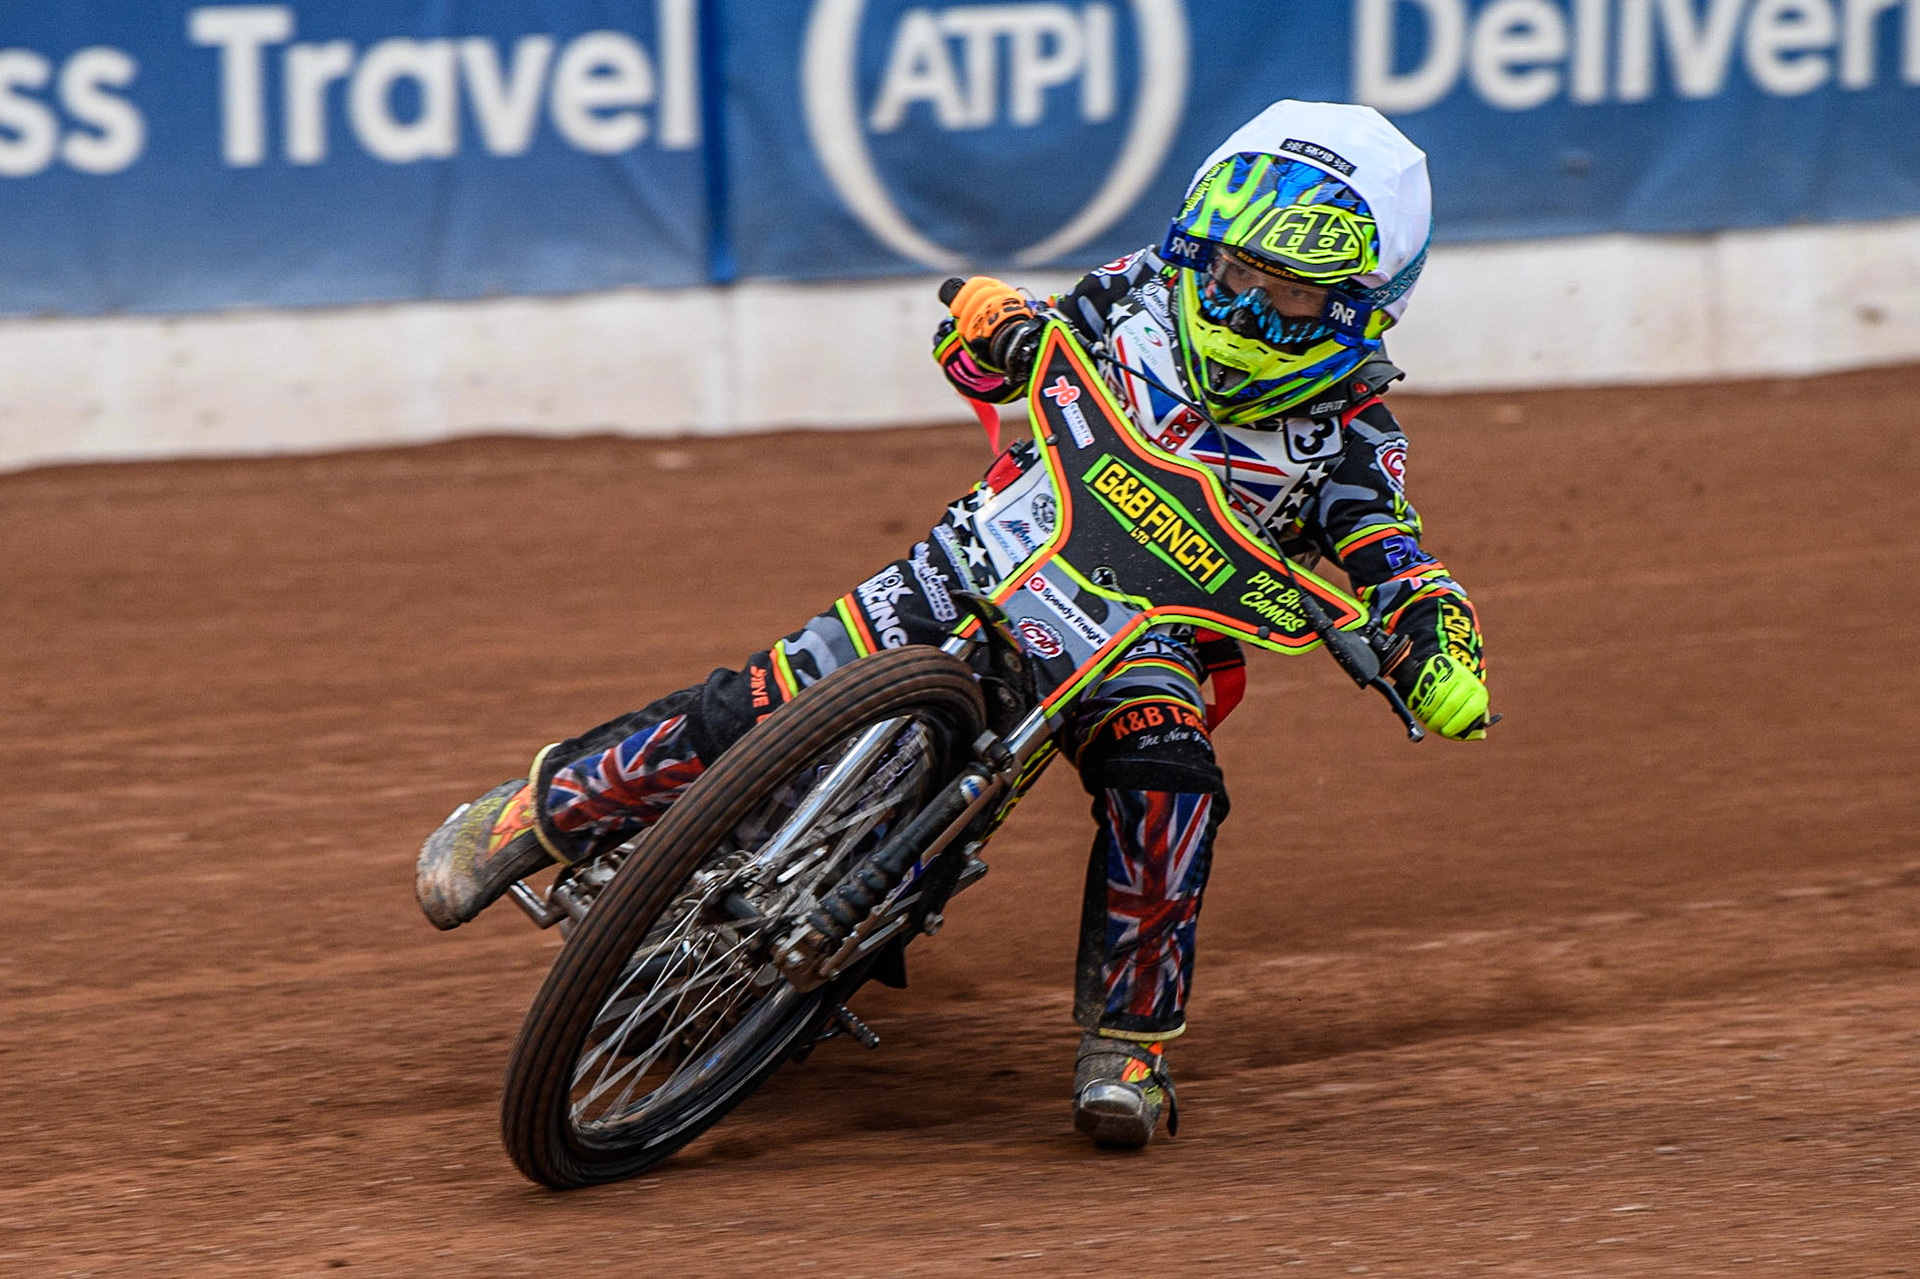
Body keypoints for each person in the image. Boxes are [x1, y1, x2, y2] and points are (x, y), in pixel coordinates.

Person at [416, 100, 1490, 1151]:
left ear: (1362, 308)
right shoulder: (1141, 294)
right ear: (1196, 248)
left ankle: (1128, 1046)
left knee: (1169, 789)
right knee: (769, 691)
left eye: (1286, 297)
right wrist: (989, 328)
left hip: (1135, 643)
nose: (1243, 304)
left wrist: (1429, 636)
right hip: (990, 554)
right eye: (1233, 272)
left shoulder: (1349, 436)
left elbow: (1390, 551)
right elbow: (1003, 358)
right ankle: (533, 813)